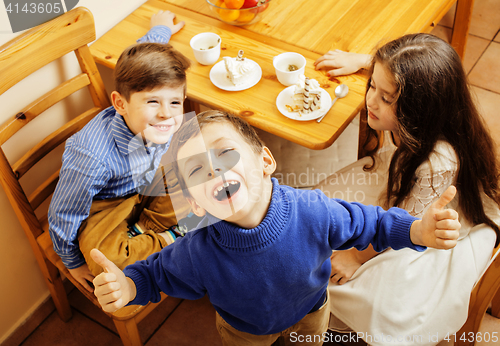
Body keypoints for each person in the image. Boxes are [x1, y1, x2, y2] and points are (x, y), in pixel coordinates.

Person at [90, 110, 461, 346]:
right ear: (195, 204)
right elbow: (156, 274)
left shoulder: (312, 211)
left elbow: (372, 223)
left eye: (224, 153)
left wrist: (415, 231)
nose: (215, 171)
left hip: (312, 312)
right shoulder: (197, 250)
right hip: (243, 332)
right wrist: (128, 286)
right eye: (197, 172)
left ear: (265, 160)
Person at [314, 33, 500, 345]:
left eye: (386, 98)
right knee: (318, 214)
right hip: (405, 183)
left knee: (339, 278)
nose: (371, 100)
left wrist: (357, 258)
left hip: (428, 220)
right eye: (372, 85)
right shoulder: (427, 121)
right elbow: (391, 71)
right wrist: (364, 63)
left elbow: (404, 224)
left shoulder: (436, 162)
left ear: (420, 109)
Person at [48, 10, 191, 292]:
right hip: (109, 203)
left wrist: (161, 30)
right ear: (120, 103)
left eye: (175, 103)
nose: (166, 114)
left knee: (205, 179)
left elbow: (143, 51)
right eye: (152, 102)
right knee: (106, 261)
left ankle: (147, 228)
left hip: (144, 181)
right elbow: (63, 214)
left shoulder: (151, 123)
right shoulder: (92, 158)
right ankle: (166, 238)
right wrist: (72, 263)